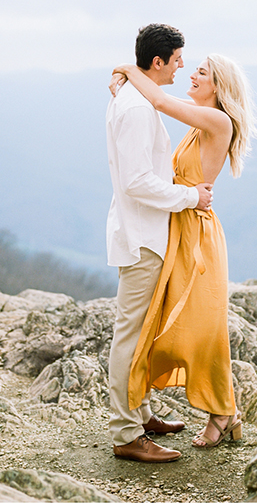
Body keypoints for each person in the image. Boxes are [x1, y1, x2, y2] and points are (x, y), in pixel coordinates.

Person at [110, 52, 257, 449]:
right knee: (167, 324)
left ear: (218, 86)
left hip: (197, 234)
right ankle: (146, 409)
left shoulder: (217, 120)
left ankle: (223, 411)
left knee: (204, 329)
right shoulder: (198, 125)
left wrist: (128, 70)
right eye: (191, 67)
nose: (192, 74)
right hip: (179, 226)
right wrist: (121, 90)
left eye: (202, 72)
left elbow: (159, 102)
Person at [106, 23, 214, 463]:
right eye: (178, 59)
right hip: (142, 237)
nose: (182, 66)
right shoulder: (135, 107)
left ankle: (142, 413)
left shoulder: (133, 97)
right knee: (129, 335)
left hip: (149, 233)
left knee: (142, 330)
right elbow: (137, 182)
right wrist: (191, 196)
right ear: (158, 61)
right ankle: (126, 434)